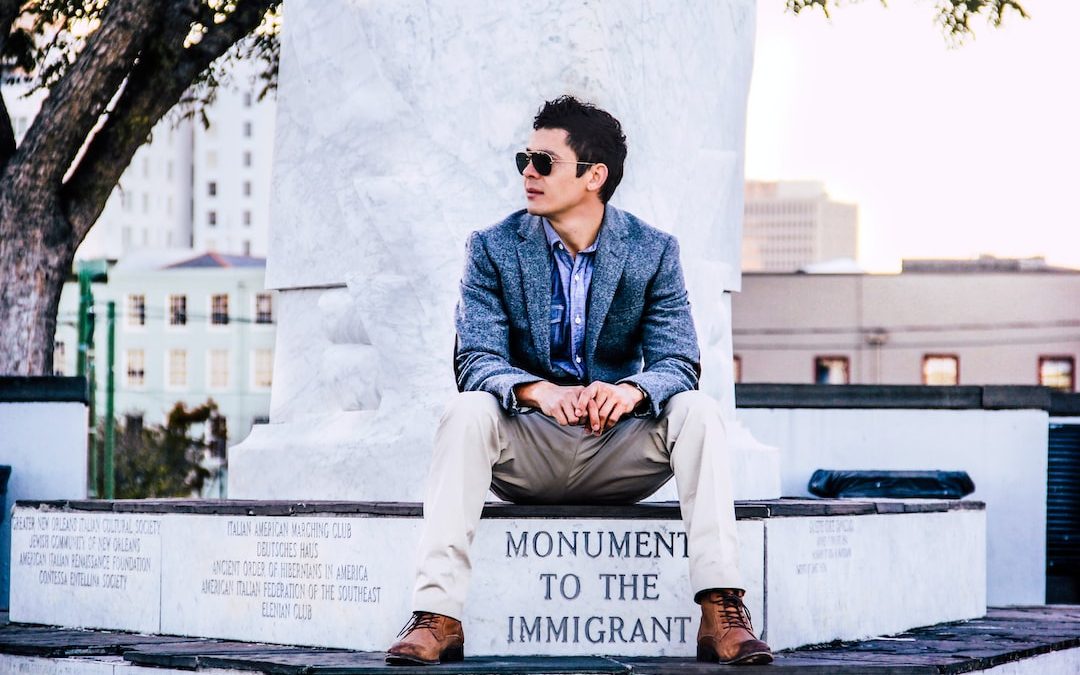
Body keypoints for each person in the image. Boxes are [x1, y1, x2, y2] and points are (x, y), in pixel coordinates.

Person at [385, 95, 773, 667]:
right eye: (524, 160)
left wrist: (629, 392)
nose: (527, 174)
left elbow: (679, 362)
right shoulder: (492, 247)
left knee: (697, 410)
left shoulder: (653, 251)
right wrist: (540, 392)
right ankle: (437, 616)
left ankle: (721, 609)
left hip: (617, 451)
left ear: (595, 176)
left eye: (544, 163)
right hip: (529, 447)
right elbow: (476, 358)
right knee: (466, 410)